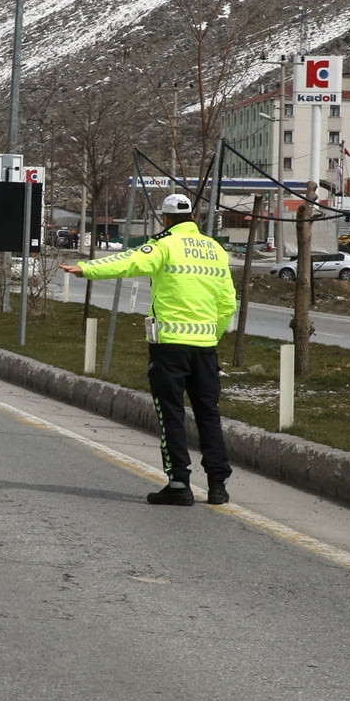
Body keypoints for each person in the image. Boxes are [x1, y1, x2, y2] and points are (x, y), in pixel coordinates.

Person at [59, 193, 237, 506]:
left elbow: (128, 261)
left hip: (169, 347)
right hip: (205, 347)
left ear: (166, 219)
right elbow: (226, 302)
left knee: (171, 412)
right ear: (192, 218)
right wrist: (213, 335)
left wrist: (86, 269)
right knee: (208, 414)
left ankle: (179, 483)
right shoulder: (215, 249)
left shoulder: (164, 245)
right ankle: (217, 485)